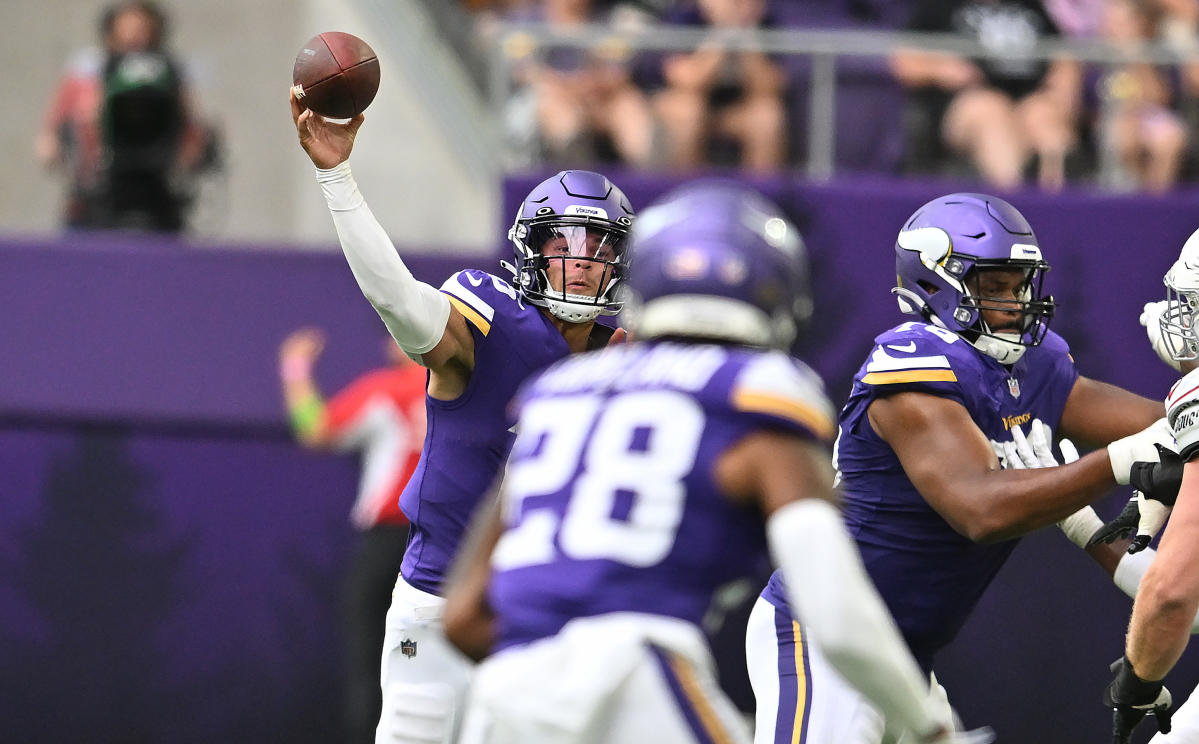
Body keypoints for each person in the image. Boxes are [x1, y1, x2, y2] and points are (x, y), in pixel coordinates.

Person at [442, 181, 991, 744]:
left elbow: (461, 617)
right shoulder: (761, 390)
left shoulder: (560, 393)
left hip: (504, 691)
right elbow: (831, 605)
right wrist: (929, 730)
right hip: (635, 671)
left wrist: (546, 684)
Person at [745, 192, 1172, 743]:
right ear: (934, 285)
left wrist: (1187, 411)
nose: (1015, 303)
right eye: (994, 286)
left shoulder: (1035, 365)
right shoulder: (913, 369)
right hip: (823, 635)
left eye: (1019, 285)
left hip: (900, 654)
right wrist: (1114, 465)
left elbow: (1162, 426)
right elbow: (979, 509)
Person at [290, 88, 634, 743]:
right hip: (439, 599)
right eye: (565, 243)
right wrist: (336, 179)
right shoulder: (491, 323)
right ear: (532, 249)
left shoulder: (631, 356)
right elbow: (398, 301)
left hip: (550, 617)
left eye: (597, 247)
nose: (583, 262)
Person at [277, 327, 427, 744]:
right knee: (417, 653)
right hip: (441, 551)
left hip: (387, 549)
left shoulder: (388, 389)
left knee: (373, 658)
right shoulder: (465, 390)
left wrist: (295, 367)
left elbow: (315, 429)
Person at [36, 1, 212, 232]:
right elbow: (50, 136)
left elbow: (192, 133)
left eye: (143, 30)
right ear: (110, 32)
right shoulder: (87, 72)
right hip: (95, 199)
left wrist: (196, 152)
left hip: (159, 201)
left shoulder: (171, 75)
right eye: (127, 29)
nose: (135, 38)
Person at [890, 0, 1082, 190]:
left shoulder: (1030, 5)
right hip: (966, 102)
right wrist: (942, 68)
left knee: (1044, 115)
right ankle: (1018, 201)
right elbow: (904, 62)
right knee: (991, 110)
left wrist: (1062, 91)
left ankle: (1061, 203)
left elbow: (1061, 53)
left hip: (1028, 100)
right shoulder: (939, 6)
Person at [654, 0, 789, 172]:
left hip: (738, 109)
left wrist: (746, 35)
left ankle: (759, 195)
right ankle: (686, 192)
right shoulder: (686, 17)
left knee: (767, 116)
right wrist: (722, 34)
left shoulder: (766, 21)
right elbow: (688, 82)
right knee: (688, 111)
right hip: (688, 105)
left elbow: (769, 88)